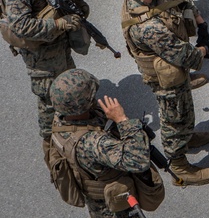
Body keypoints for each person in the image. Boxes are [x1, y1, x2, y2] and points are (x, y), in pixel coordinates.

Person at [119, 0, 209, 185]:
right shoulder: (148, 27)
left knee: (184, 108)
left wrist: (199, 20)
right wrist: (204, 48)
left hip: (173, 67)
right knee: (174, 116)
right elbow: (187, 56)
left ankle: (187, 136)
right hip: (166, 77)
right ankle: (179, 164)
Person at [1, 0, 95, 148]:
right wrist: (60, 24)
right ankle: (50, 142)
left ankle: (73, 128)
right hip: (42, 57)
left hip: (58, 47)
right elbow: (22, 26)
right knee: (49, 101)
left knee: (69, 89)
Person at [48, 69, 159, 218]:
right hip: (114, 204)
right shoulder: (93, 143)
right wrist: (122, 121)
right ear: (84, 104)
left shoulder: (61, 117)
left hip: (96, 195)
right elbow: (139, 160)